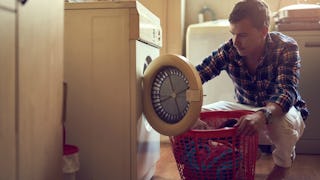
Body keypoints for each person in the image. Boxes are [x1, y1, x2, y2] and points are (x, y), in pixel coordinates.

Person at [194, 0, 308, 179]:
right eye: (233, 34)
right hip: (244, 111)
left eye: (243, 35)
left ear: (264, 31)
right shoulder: (230, 49)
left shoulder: (286, 46)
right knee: (194, 117)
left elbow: (287, 92)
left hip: (281, 112)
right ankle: (238, 155)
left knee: (281, 124)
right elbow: (198, 74)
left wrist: (262, 115)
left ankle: (282, 164)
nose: (236, 42)